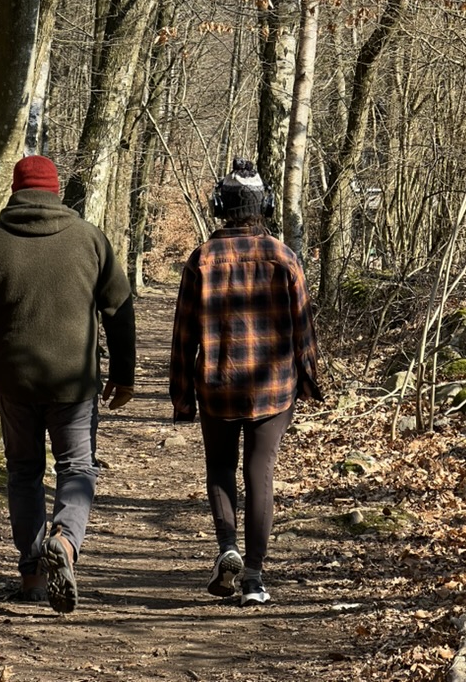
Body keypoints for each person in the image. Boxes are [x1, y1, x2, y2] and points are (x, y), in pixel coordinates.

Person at [0, 155, 136, 614]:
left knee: (24, 472)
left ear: (16, 190)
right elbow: (119, 309)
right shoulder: (89, 238)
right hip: (74, 382)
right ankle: (65, 543)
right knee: (77, 468)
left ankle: (32, 574)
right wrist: (123, 375)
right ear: (55, 191)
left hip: (14, 383)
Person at [169, 157, 321, 607]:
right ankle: (253, 577)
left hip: (216, 386)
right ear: (264, 206)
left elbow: (183, 335)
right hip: (273, 388)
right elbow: (303, 329)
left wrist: (182, 398)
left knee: (220, 468)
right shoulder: (284, 257)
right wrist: (309, 380)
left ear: (221, 206)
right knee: (260, 473)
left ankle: (227, 548)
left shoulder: (201, 258)